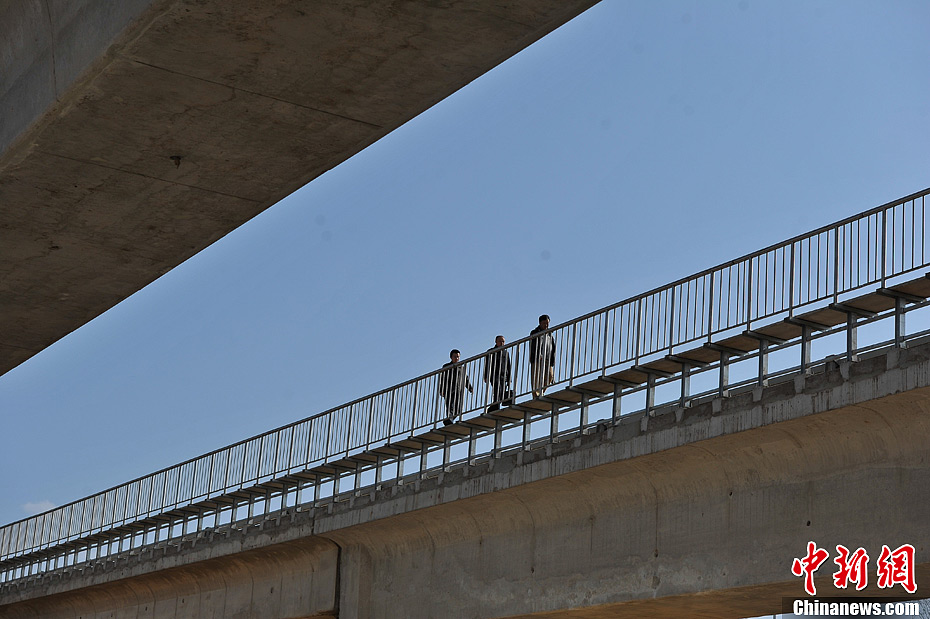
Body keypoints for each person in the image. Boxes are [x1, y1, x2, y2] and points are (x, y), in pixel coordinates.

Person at [439, 349, 473, 425]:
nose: (456, 358)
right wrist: (441, 390)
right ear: (451, 357)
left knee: (458, 409)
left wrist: (470, 388)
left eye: (458, 357)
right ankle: (449, 419)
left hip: (459, 390)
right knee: (450, 407)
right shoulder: (446, 366)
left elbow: (465, 379)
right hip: (449, 389)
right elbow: (443, 379)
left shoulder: (462, 368)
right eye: (455, 357)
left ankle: (449, 419)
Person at [483, 335, 512, 412]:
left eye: (503, 341)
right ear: (496, 342)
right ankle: (495, 406)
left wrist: (509, 378)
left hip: (504, 375)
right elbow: (487, 364)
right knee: (497, 389)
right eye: (500, 341)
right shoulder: (491, 351)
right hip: (494, 374)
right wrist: (486, 375)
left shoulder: (506, 353)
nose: (502, 343)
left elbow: (508, 365)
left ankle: (494, 406)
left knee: (502, 391)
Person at [529, 314, 555, 398]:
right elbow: (533, 345)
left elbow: (552, 346)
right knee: (536, 377)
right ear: (540, 323)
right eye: (544, 323)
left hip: (547, 358)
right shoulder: (535, 332)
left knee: (550, 376)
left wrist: (552, 359)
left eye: (547, 323)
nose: (546, 325)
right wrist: (538, 354)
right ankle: (535, 395)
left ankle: (541, 392)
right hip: (538, 358)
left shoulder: (550, 333)